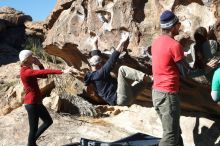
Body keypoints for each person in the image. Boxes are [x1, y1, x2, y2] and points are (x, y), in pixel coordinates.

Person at [19, 50, 74, 146]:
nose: (34, 57)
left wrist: (39, 64)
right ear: (27, 59)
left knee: (48, 121)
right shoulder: (26, 71)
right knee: (33, 129)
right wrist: (62, 71)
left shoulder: (28, 69)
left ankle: (31, 143)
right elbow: (46, 71)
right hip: (32, 103)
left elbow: (44, 76)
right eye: (32, 56)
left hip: (36, 103)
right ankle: (31, 144)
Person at [84, 32, 152, 106]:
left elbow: (95, 56)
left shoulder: (93, 74)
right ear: (99, 65)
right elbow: (113, 58)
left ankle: (152, 79)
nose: (103, 64)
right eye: (101, 63)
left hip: (126, 97)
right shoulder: (100, 74)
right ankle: (150, 78)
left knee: (142, 80)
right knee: (122, 70)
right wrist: (122, 41)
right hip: (120, 98)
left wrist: (94, 44)